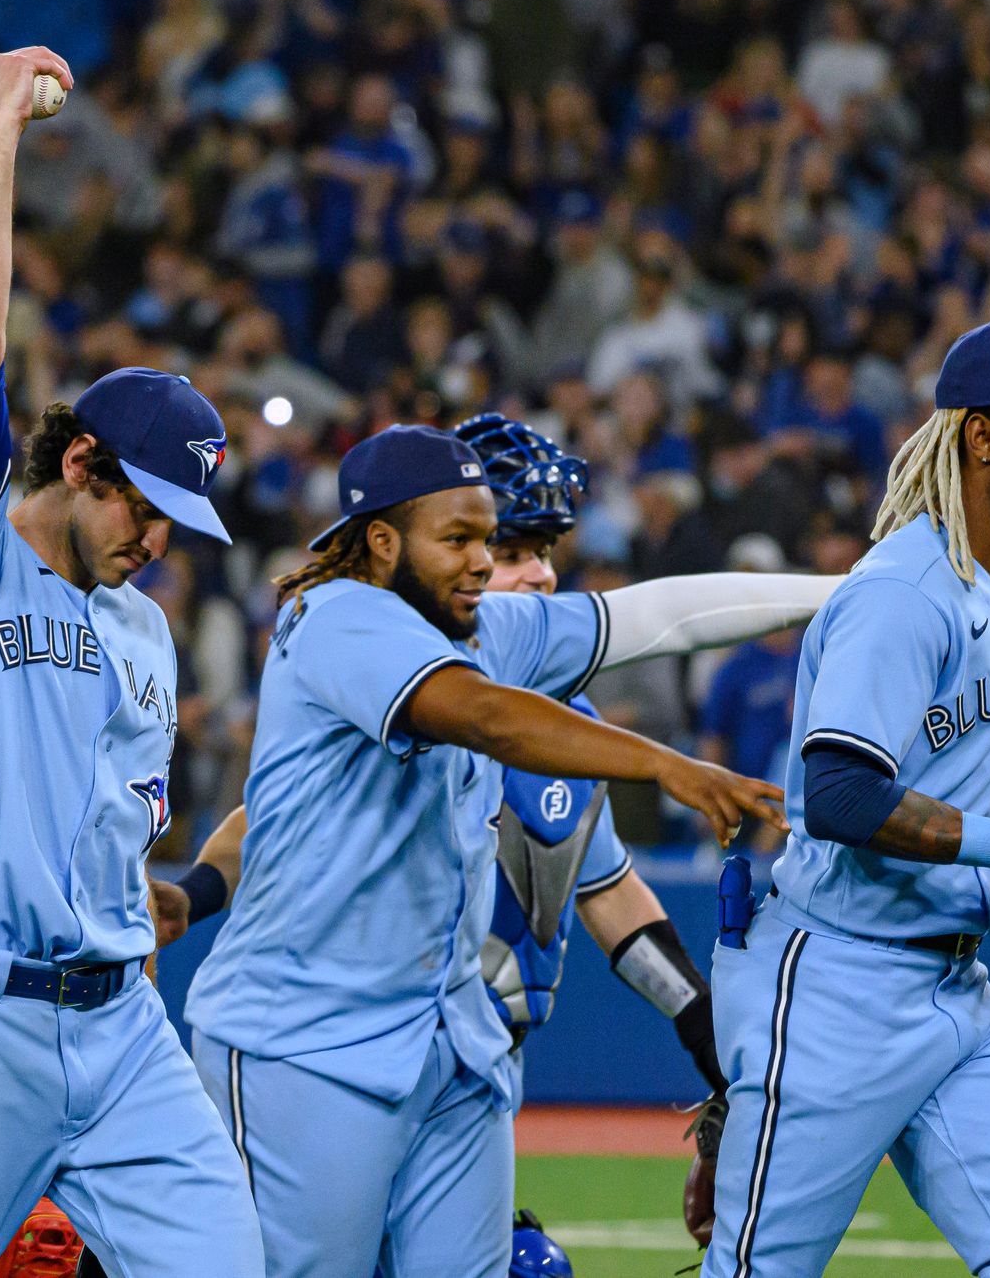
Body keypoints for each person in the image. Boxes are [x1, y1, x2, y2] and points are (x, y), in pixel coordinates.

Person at [160, 415, 837, 1276]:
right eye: (461, 538)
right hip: (307, 1044)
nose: (485, 559)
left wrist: (849, 588)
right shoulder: (335, 618)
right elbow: (482, 715)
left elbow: (658, 615)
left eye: (492, 537)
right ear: (379, 541)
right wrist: (666, 763)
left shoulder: (488, 633)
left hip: (452, 1040)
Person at [0, 46, 264, 1278]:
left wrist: (159, 890)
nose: (156, 544)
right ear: (80, 465)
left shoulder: (141, 625)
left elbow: (120, 812)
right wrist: (0, 130)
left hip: (126, 1024)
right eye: (144, 511)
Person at [701, 315, 990, 1278]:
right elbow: (844, 797)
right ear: (982, 435)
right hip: (835, 991)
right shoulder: (904, 591)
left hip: (958, 990)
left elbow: (951, 799)